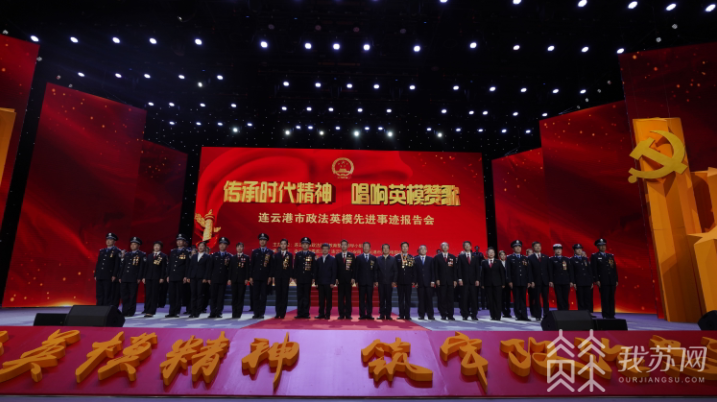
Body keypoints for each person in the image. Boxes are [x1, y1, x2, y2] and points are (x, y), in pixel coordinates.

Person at [117, 237, 146, 316]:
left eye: (135, 244)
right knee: (124, 295)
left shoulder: (141, 254)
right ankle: (124, 311)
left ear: (138, 246)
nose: (133, 245)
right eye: (132, 244)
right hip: (124, 277)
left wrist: (139, 277)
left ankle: (131, 311)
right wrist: (120, 276)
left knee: (132, 295)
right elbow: (123, 266)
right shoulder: (127, 254)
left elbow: (141, 267)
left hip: (134, 278)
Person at [165, 234, 191, 318]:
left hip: (181, 276)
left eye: (181, 241)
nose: (179, 242)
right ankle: (171, 311)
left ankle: (176, 311)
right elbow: (170, 264)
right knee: (172, 294)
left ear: (184, 242)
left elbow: (187, 265)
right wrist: (168, 275)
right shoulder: (173, 251)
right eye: (178, 241)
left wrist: (186, 276)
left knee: (178, 295)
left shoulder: (187, 252)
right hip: (172, 276)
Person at [591, 238, 618, 319]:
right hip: (603, 280)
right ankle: (606, 314)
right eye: (601, 246)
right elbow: (594, 269)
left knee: (611, 298)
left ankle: (612, 314)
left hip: (611, 280)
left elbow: (614, 268)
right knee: (605, 297)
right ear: (597, 247)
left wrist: (616, 279)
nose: (603, 247)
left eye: (604, 245)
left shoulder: (610, 256)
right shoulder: (595, 256)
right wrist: (596, 280)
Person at [507, 240, 533, 321]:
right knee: (517, 299)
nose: (518, 248)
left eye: (519, 247)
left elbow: (528, 270)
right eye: (516, 247)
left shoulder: (525, 258)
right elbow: (508, 271)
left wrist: (529, 281)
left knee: (523, 299)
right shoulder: (510, 258)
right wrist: (510, 281)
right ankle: (518, 315)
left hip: (524, 281)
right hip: (515, 281)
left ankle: (524, 315)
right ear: (513, 248)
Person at [249, 233, 273, 319]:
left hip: (265, 278)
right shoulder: (255, 252)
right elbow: (252, 265)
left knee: (263, 296)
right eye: (261, 240)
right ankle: (256, 313)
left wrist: (270, 276)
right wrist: (250, 276)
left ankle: (261, 313)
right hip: (256, 277)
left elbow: (271, 266)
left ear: (266, 241)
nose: (262, 241)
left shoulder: (270, 252)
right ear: (259, 241)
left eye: (264, 240)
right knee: (255, 295)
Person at [206, 237, 231, 318]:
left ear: (227, 246)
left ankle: (219, 312)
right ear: (219, 245)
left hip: (223, 279)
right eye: (221, 244)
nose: (222, 246)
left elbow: (230, 269)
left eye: (224, 244)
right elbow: (210, 267)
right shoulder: (214, 255)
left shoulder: (229, 256)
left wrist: (229, 278)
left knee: (221, 297)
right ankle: (212, 312)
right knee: (213, 296)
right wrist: (209, 278)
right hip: (214, 279)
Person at [94, 233, 121, 306]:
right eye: (107, 239)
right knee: (99, 293)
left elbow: (117, 264)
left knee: (107, 293)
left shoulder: (117, 251)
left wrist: (114, 275)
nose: (108, 241)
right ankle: (99, 307)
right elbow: (98, 263)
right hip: (100, 275)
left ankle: (106, 309)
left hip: (109, 275)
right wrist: (96, 274)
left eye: (110, 240)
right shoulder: (102, 251)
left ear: (114, 241)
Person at [527, 241, 551, 321]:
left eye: (539, 246)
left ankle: (547, 315)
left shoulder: (545, 257)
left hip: (545, 281)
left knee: (545, 299)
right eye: (536, 246)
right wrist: (531, 281)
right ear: (533, 248)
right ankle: (538, 315)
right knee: (537, 299)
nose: (538, 247)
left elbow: (549, 269)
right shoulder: (530, 258)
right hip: (536, 282)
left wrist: (550, 280)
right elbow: (529, 271)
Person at [458, 240, 481, 321]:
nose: (467, 246)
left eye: (468, 245)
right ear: (463, 247)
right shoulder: (461, 256)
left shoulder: (475, 257)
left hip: (473, 281)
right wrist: (460, 279)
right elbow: (459, 269)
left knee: (474, 299)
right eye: (465, 245)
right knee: (464, 298)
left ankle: (474, 314)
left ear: (471, 247)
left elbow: (477, 269)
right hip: (464, 281)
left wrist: (477, 279)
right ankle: (465, 314)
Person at [293, 237, 315, 319]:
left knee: (306, 296)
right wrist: (295, 277)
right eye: (303, 244)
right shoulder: (298, 254)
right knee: (300, 296)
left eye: (306, 244)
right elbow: (295, 267)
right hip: (299, 278)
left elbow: (314, 267)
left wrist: (313, 277)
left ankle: (306, 313)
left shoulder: (312, 254)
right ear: (301, 245)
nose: (305, 245)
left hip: (308, 278)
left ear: (309, 245)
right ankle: (299, 313)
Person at [481, 247, 506, 320]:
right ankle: (493, 315)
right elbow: (482, 274)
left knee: (498, 300)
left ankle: (498, 316)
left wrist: (503, 283)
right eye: (489, 252)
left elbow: (502, 273)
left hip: (497, 284)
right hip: (488, 284)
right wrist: (482, 284)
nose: (491, 254)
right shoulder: (484, 262)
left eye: (492, 252)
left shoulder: (498, 262)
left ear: (494, 254)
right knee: (490, 300)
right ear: (487, 254)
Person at [434, 242, 457, 320]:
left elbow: (455, 270)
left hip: (450, 281)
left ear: (448, 247)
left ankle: (450, 315)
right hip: (441, 281)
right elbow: (436, 269)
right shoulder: (437, 257)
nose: (445, 247)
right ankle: (443, 314)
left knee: (450, 299)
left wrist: (455, 280)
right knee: (442, 298)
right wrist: (437, 279)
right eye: (443, 246)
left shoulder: (452, 257)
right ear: (441, 247)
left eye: (446, 245)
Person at [143, 241, 166, 317]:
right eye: (155, 245)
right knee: (148, 294)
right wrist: (144, 277)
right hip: (148, 277)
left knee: (154, 294)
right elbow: (146, 267)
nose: (156, 247)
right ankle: (147, 309)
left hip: (157, 277)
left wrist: (162, 277)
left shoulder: (163, 256)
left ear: (160, 247)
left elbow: (163, 268)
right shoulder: (149, 255)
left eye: (158, 246)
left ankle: (151, 310)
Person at [355, 242, 377, 320]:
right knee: (361, 299)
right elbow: (356, 270)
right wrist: (356, 281)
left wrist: (375, 280)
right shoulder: (358, 257)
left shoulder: (373, 258)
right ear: (363, 248)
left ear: (370, 248)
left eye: (367, 246)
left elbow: (375, 270)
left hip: (370, 282)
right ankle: (362, 314)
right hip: (361, 282)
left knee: (369, 299)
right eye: (365, 246)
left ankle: (369, 314)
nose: (366, 248)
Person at [271, 238, 293, 319]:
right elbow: (274, 267)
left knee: (284, 294)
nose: (283, 245)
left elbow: (290, 266)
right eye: (282, 244)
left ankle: (283, 313)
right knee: (278, 295)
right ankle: (278, 312)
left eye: (284, 244)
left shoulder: (289, 255)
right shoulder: (276, 255)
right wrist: (273, 276)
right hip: (278, 277)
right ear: (280, 245)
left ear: (287, 245)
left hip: (286, 277)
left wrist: (290, 276)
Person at [187, 242, 210, 318]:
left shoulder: (207, 256)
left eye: (202, 246)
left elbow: (207, 268)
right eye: (199, 246)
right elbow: (190, 267)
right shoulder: (194, 256)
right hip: (193, 277)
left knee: (199, 295)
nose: (200, 247)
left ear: (205, 247)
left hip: (201, 278)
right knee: (193, 294)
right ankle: (192, 311)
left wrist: (205, 278)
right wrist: (188, 277)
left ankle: (198, 311)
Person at [314, 243, 337, 319]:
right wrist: (316, 282)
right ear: (321, 250)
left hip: (328, 283)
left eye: (326, 249)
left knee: (328, 300)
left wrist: (332, 282)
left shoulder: (332, 259)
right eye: (323, 248)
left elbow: (334, 272)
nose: (325, 250)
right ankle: (321, 314)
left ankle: (327, 314)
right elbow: (316, 272)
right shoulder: (318, 260)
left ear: (329, 250)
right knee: (321, 300)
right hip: (320, 283)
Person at [335, 239, 356, 320]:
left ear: (347, 246)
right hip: (340, 280)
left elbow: (354, 268)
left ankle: (348, 314)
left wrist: (353, 278)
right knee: (340, 298)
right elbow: (336, 268)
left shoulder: (351, 255)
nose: (343, 246)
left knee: (348, 297)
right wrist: (336, 278)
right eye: (342, 245)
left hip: (348, 280)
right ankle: (341, 314)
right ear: (340, 246)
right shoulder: (337, 256)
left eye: (345, 244)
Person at [376, 244, 397, 320]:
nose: (385, 249)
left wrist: (394, 281)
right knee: (381, 299)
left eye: (387, 248)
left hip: (389, 282)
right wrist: (376, 280)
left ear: (389, 249)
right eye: (384, 248)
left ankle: (388, 315)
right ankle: (382, 314)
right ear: (382, 250)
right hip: (381, 282)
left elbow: (395, 271)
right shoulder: (378, 259)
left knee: (388, 299)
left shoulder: (393, 259)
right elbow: (376, 271)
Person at [229, 242, 250, 318]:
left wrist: (246, 278)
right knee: (234, 297)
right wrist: (229, 279)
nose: (239, 248)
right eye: (238, 247)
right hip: (234, 280)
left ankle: (239, 313)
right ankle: (234, 313)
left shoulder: (246, 257)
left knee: (240, 297)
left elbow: (247, 269)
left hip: (242, 280)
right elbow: (230, 269)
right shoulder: (233, 257)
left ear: (243, 248)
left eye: (241, 247)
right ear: (236, 248)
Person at [414, 245, 435, 320]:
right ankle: (421, 315)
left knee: (429, 299)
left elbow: (433, 271)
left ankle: (430, 315)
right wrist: (415, 281)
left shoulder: (430, 259)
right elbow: (414, 272)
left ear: (426, 250)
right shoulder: (415, 259)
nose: (422, 250)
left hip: (429, 282)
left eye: (424, 249)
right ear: (419, 250)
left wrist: (433, 280)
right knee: (421, 300)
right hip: (420, 282)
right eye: (421, 249)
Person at [570, 244, 594, 313]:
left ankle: (589, 312)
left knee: (588, 298)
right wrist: (573, 282)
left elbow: (589, 271)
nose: (579, 250)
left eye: (580, 249)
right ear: (574, 251)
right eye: (577, 249)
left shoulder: (585, 259)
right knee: (580, 298)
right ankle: (582, 313)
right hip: (578, 282)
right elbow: (572, 272)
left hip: (587, 281)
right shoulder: (572, 260)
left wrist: (591, 281)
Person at [549, 244, 573, 311]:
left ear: (562, 250)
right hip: (557, 281)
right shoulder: (551, 259)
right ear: (554, 250)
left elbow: (570, 271)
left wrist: (571, 281)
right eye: (556, 249)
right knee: (559, 297)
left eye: (559, 249)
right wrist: (551, 280)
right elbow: (550, 271)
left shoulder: (566, 259)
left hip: (566, 281)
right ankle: (560, 311)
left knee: (565, 297)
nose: (558, 251)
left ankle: (566, 310)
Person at [396, 242, 415, 320]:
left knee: (407, 298)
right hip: (399, 281)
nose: (404, 248)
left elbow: (413, 270)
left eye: (406, 246)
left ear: (408, 248)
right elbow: (395, 270)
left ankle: (407, 315)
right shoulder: (397, 257)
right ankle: (401, 315)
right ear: (401, 248)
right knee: (400, 298)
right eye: (403, 246)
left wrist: (413, 280)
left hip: (408, 281)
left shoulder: (411, 257)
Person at [498, 250, 512, 318]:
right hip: (501, 283)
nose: (503, 256)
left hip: (508, 283)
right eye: (501, 255)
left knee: (508, 298)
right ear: (499, 256)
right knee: (502, 298)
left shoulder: (508, 263)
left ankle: (508, 312)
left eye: (504, 255)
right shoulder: (498, 263)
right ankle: (503, 311)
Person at [474, 246, 487, 310]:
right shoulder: (473, 254)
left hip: (482, 281)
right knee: (475, 295)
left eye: (477, 248)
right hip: (475, 281)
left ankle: (483, 306)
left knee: (483, 294)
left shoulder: (481, 254)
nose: (477, 249)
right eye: (476, 248)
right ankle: (476, 307)